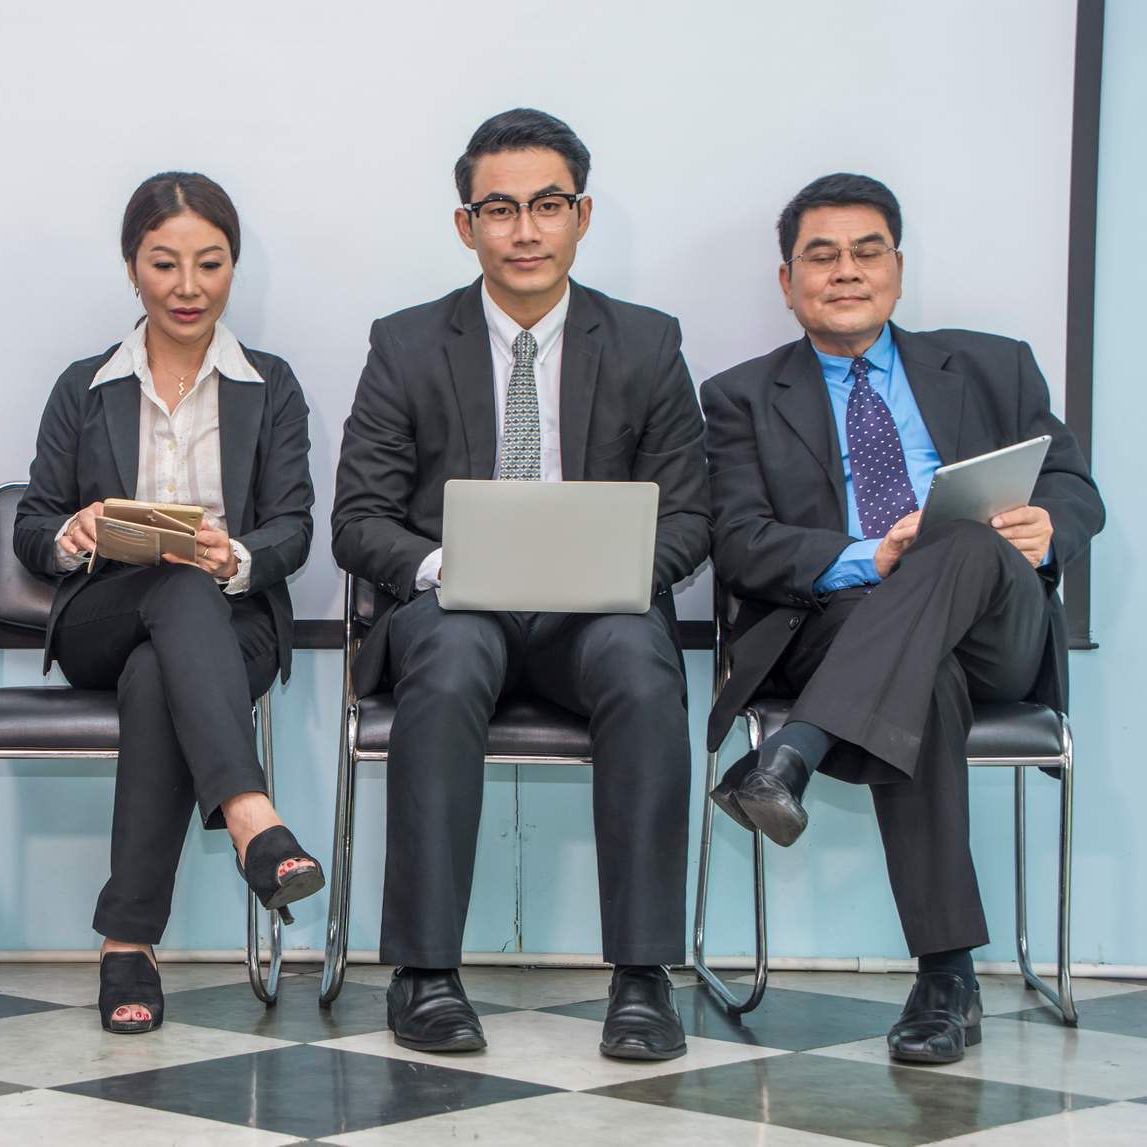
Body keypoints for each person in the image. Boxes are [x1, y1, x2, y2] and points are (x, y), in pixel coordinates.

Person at [331, 109, 709, 1059]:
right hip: (458, 608)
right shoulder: (407, 344)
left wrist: (616, 570)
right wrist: (441, 566)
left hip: (597, 616)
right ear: (467, 226)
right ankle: (424, 974)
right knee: (452, 654)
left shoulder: (648, 343)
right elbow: (358, 518)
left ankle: (642, 978)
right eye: (500, 209)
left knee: (640, 659)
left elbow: (693, 517)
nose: (526, 230)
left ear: (581, 215)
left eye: (548, 204)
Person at [701, 173, 1104, 1064]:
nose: (846, 270)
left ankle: (788, 755)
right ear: (787, 279)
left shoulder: (994, 364)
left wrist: (1048, 527)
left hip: (996, 624)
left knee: (957, 539)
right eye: (821, 254)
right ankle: (947, 978)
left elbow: (1076, 488)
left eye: (866, 250)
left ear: (897, 266)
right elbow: (738, 543)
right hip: (846, 628)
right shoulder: (738, 396)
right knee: (926, 677)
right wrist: (871, 556)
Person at [14, 172, 321, 1035]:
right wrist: (68, 534)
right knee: (167, 595)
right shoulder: (85, 386)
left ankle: (126, 944)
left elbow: (295, 526)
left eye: (210, 264)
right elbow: (32, 522)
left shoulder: (272, 385)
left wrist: (241, 555)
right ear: (131, 269)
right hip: (105, 617)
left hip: (232, 625)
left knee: (164, 665)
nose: (189, 287)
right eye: (165, 264)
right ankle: (251, 816)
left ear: (233, 268)